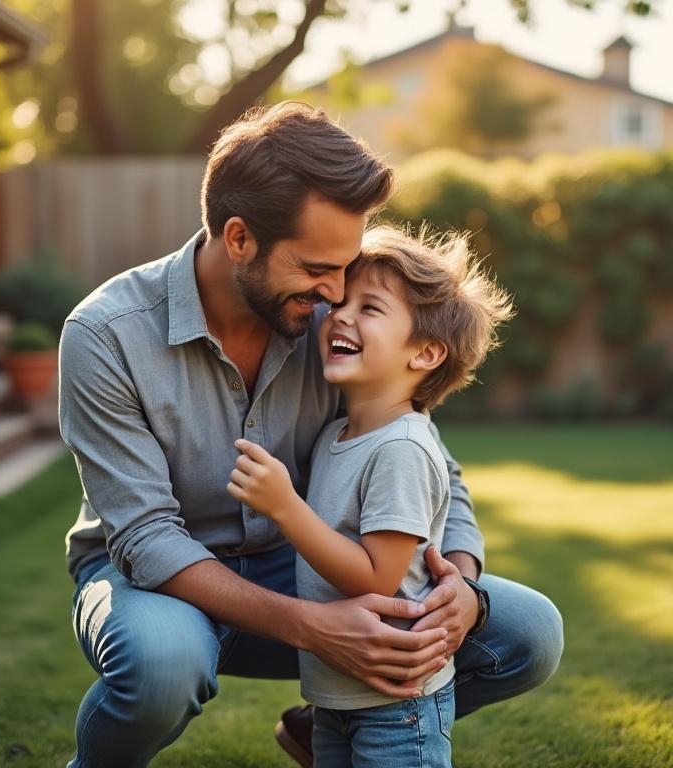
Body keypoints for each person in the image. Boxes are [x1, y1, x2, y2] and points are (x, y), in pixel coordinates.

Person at [59, 102, 563, 768]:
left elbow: (435, 466)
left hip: (308, 565)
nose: (335, 291)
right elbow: (145, 538)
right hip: (158, 583)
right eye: (317, 268)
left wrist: (462, 589)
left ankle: (334, 724)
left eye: (346, 266)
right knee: (162, 666)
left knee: (526, 632)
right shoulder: (105, 335)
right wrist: (313, 628)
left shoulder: (339, 325)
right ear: (240, 239)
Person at [227, 225, 513, 766]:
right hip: (340, 692)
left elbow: (378, 576)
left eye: (370, 308)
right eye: (340, 303)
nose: (338, 316)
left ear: (425, 353)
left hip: (395, 703)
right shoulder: (339, 435)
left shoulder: (401, 448)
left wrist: (285, 507)